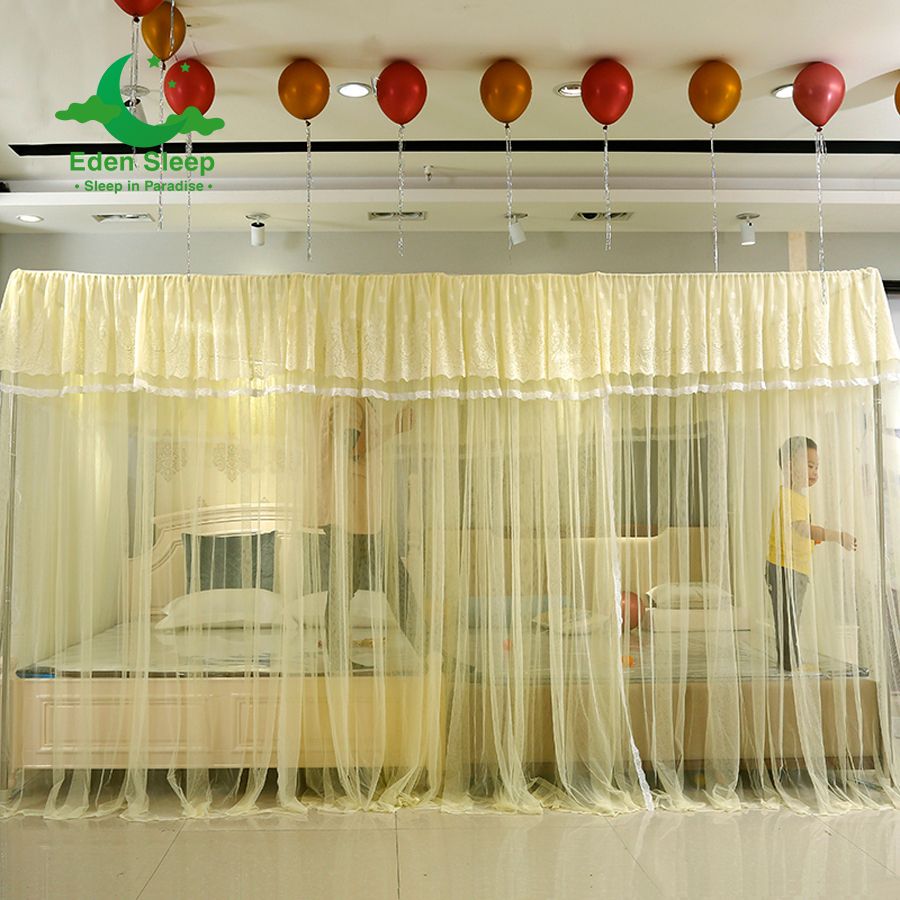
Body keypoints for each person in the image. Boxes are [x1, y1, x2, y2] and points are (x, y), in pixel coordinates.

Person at [317, 396, 414, 665]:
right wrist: (394, 428)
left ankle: (338, 659)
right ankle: (432, 652)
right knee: (394, 584)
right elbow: (350, 448)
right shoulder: (348, 399)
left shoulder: (353, 398)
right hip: (351, 512)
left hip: (357, 513)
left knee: (351, 586)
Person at [766, 435, 857, 672]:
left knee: (791, 616)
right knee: (789, 616)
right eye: (809, 466)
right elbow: (802, 529)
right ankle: (790, 663)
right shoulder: (790, 497)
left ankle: (790, 661)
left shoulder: (796, 497)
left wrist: (812, 539)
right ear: (789, 466)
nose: (815, 472)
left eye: (817, 467)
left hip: (794, 566)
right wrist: (837, 536)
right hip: (785, 567)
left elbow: (797, 533)